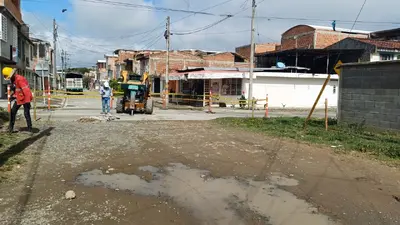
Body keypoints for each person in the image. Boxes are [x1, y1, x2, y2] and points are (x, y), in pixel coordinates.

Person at [2, 67, 33, 133]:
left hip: (25, 97)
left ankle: (30, 129)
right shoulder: (12, 79)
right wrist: (12, 96)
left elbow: (26, 90)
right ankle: (10, 129)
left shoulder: (20, 79)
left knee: (26, 113)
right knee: (12, 112)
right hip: (19, 98)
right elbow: (15, 89)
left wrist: (28, 101)